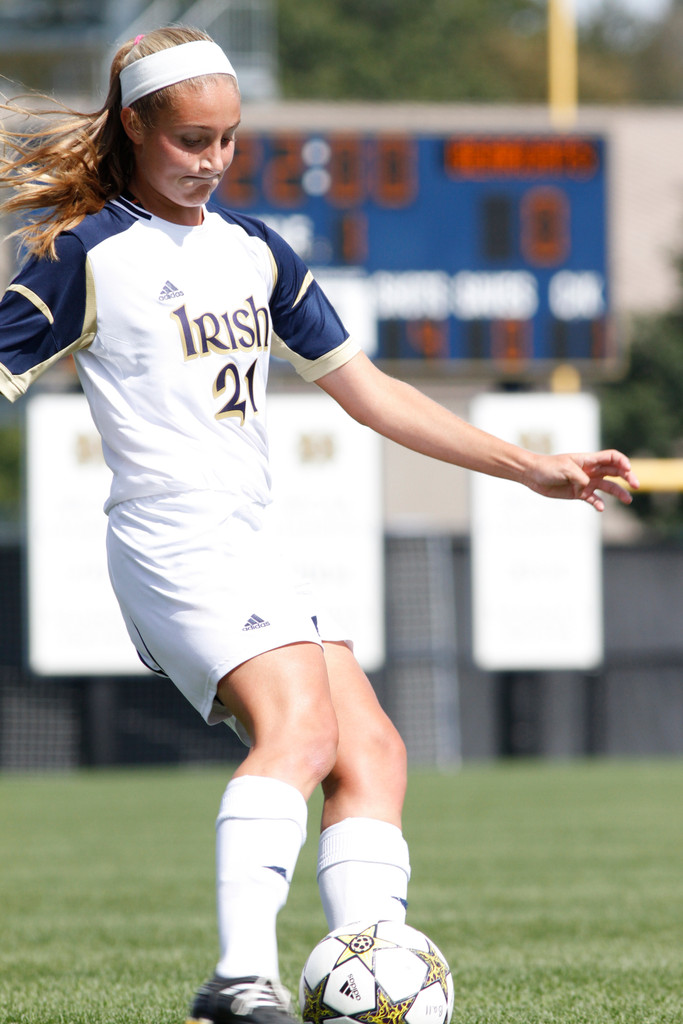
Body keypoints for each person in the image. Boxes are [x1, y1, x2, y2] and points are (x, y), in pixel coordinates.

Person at [0, 26, 638, 1024]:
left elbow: (372, 393)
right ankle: (237, 980)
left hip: (251, 537)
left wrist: (528, 468)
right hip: (173, 539)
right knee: (298, 729)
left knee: (372, 749)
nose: (211, 161)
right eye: (190, 141)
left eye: (228, 140)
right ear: (132, 127)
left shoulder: (254, 250)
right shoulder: (85, 255)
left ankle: (369, 971)